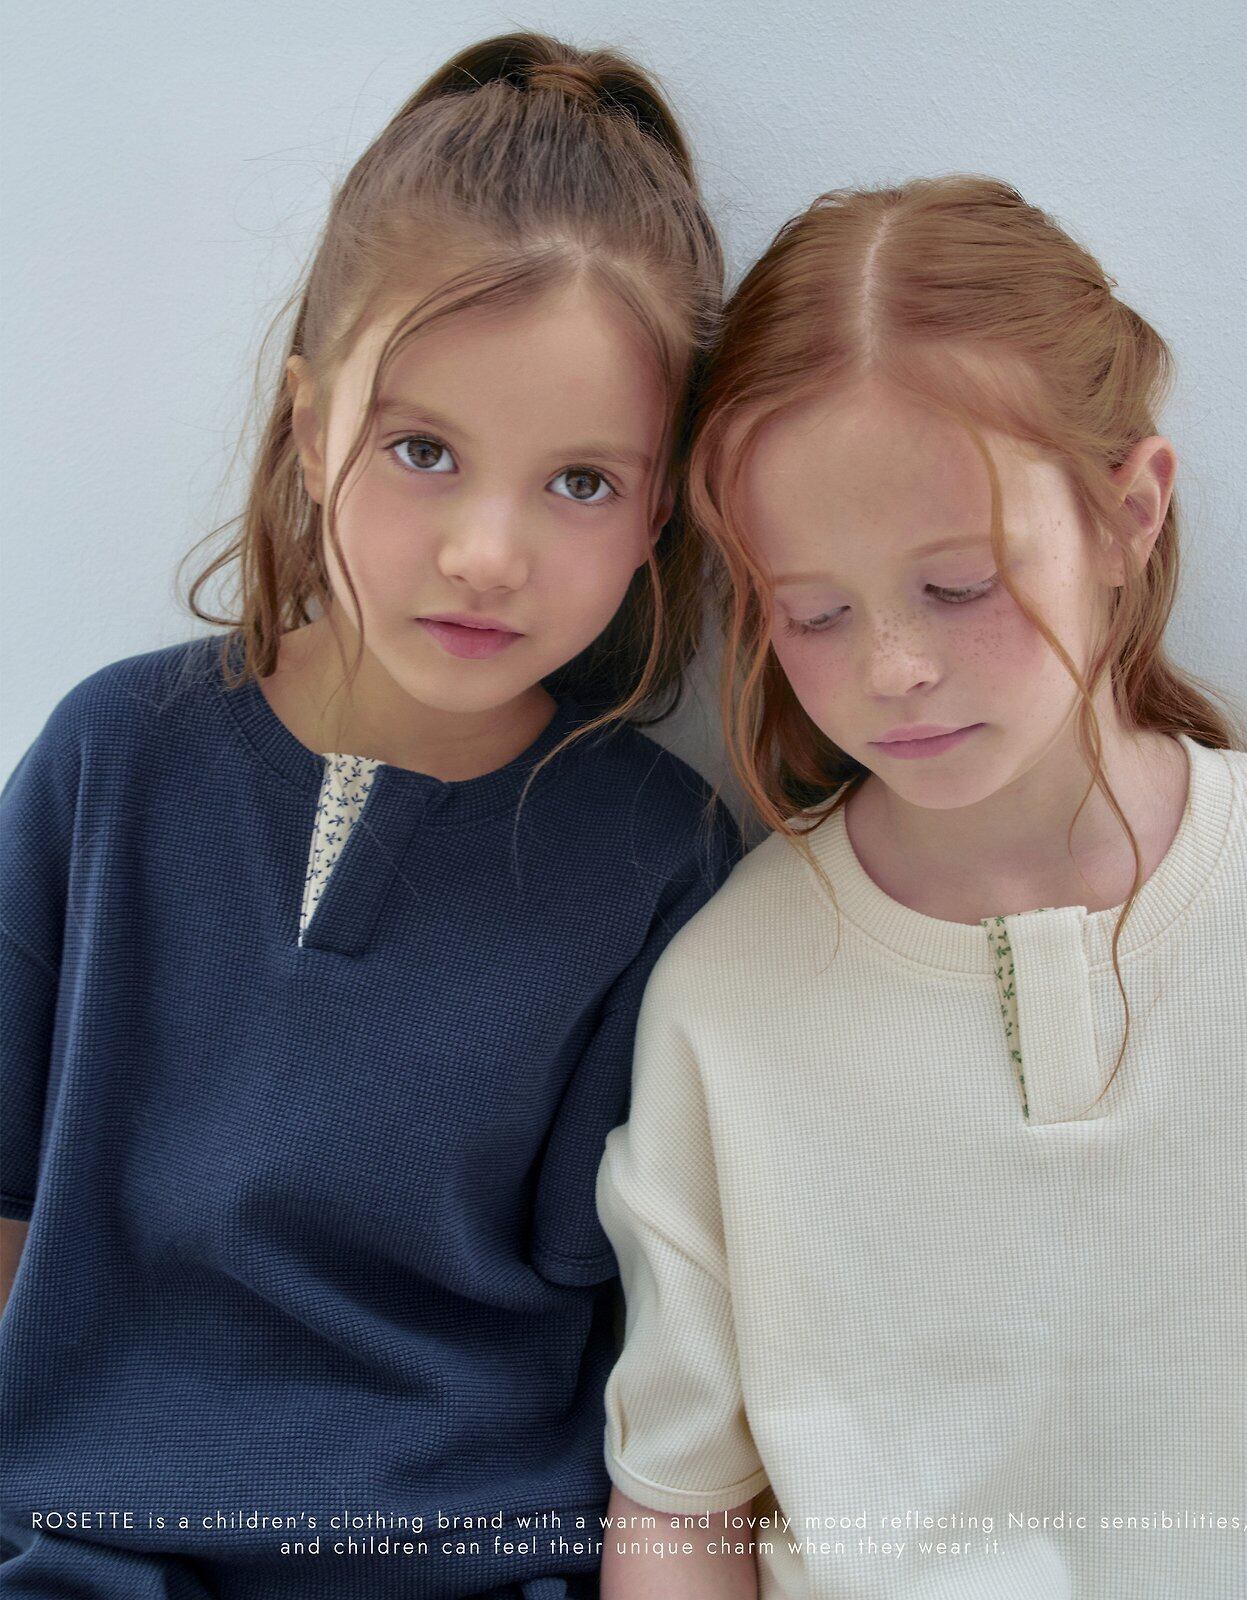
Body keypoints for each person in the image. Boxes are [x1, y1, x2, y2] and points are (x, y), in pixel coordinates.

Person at [0, 32, 736, 1600]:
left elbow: (644, 1341)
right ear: (308, 421)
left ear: (662, 505)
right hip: (78, 1550)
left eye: (582, 482)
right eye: (422, 451)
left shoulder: (657, 857)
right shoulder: (113, 760)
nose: (487, 552)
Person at [596, 176, 1247, 1598]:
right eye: (813, 612)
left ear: (1129, 512)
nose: (893, 668)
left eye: (959, 586)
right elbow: (678, 1506)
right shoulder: (726, 997)